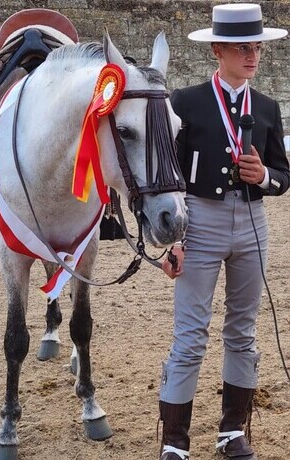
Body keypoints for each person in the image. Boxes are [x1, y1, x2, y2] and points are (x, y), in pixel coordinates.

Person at [159, 4, 290, 460]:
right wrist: (171, 240)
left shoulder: (269, 108)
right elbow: (166, 174)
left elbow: (283, 175)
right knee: (191, 332)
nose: (252, 54)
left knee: (243, 330)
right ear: (218, 50)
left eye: (256, 46)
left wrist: (264, 178)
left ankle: (233, 432)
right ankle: (175, 441)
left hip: (252, 222)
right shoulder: (184, 102)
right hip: (199, 218)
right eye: (242, 46)